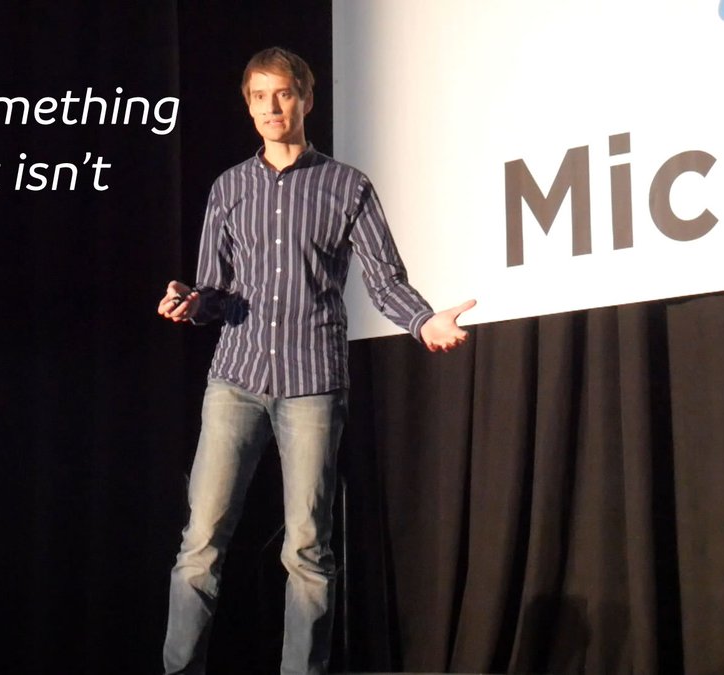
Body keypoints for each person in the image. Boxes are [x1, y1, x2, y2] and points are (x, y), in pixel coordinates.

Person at [156, 46, 476, 675]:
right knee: (200, 544)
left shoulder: (348, 186)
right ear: (249, 107)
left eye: (283, 94)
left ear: (306, 98)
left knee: (307, 552)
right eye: (259, 97)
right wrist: (189, 303)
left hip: (312, 386)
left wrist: (424, 320)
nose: (272, 108)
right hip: (236, 380)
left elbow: (385, 280)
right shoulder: (229, 188)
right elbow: (214, 291)